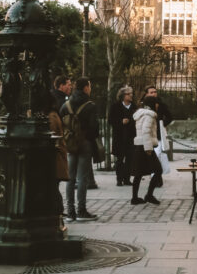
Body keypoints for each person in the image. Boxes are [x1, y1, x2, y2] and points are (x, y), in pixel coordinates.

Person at [60, 77, 99, 222]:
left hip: (70, 144)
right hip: (85, 143)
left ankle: (70, 211)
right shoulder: (90, 105)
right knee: (82, 178)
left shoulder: (66, 105)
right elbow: (94, 128)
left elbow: (60, 122)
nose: (90, 88)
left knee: (70, 178)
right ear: (85, 88)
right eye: (89, 86)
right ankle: (81, 210)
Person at [131, 95, 163, 205]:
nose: (158, 105)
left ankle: (135, 198)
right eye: (156, 102)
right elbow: (145, 131)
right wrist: (148, 148)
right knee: (158, 170)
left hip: (140, 146)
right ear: (152, 104)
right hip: (145, 146)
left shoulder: (141, 114)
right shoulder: (149, 115)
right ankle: (149, 195)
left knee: (138, 173)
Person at [46, 93, 69, 224]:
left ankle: (58, 212)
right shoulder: (53, 115)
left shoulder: (51, 117)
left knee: (53, 187)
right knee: (53, 187)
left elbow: (53, 138)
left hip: (55, 158)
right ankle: (57, 211)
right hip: (57, 157)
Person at [108, 85, 136, 186]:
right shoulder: (115, 106)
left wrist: (131, 121)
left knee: (130, 159)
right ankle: (119, 179)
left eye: (131, 94)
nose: (131, 95)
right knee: (120, 159)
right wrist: (121, 122)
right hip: (119, 137)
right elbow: (110, 120)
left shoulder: (134, 106)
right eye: (129, 94)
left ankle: (127, 179)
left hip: (130, 137)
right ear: (123, 95)